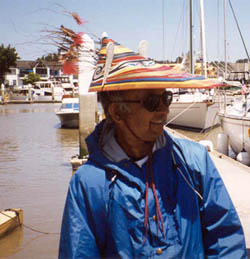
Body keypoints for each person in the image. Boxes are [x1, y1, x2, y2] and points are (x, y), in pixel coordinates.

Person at [59, 36, 247, 258]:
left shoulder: (193, 161)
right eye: (151, 102)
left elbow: (225, 239)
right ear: (117, 113)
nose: (164, 111)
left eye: (165, 98)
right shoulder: (89, 184)